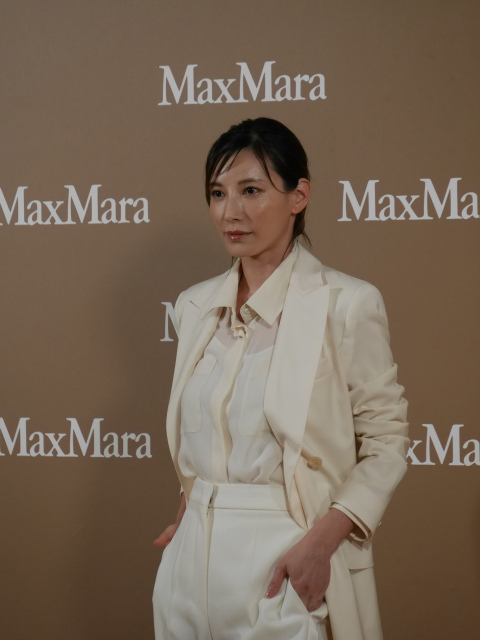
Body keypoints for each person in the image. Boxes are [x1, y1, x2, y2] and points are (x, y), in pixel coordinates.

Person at [152, 117, 409, 640]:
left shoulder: (345, 304)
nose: (231, 212)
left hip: (286, 551)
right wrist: (191, 513)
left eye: (251, 190)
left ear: (299, 196)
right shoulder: (194, 305)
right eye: (218, 193)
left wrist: (321, 544)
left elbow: (386, 443)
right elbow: (208, 434)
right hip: (190, 560)